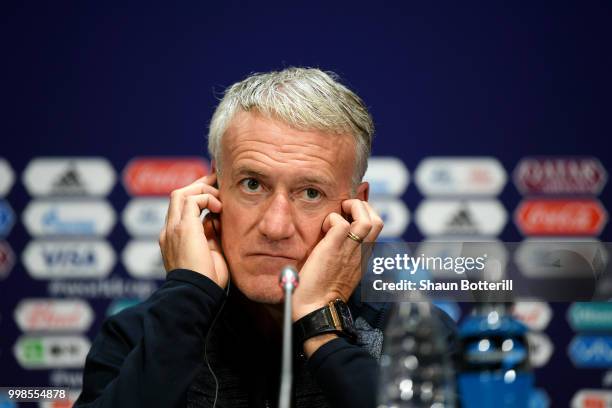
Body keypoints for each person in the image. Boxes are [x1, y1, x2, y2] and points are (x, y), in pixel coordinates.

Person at [75, 67, 452, 408]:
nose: (275, 227)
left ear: (356, 208)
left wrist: (322, 328)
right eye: (252, 184)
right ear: (214, 190)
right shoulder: (138, 335)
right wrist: (186, 299)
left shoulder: (419, 343)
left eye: (310, 193)